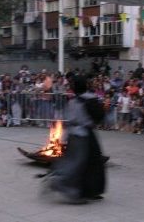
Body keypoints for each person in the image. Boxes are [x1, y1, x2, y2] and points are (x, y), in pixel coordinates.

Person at [43, 75, 107, 204]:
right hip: (85, 135)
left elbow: (69, 119)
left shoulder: (72, 102)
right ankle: (63, 185)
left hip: (73, 135)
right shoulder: (90, 99)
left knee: (78, 162)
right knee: (84, 163)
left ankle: (90, 191)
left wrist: (64, 137)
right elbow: (100, 115)